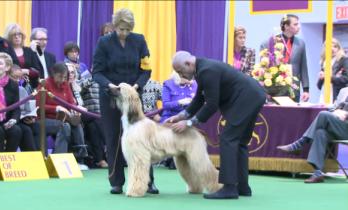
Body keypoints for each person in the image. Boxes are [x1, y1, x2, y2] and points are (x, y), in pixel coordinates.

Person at [166, 51, 266, 199]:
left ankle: (229, 188)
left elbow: (211, 104)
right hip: (254, 95)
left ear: (188, 64)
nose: (182, 76)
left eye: (181, 72)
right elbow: (199, 100)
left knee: (228, 139)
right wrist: (181, 116)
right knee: (240, 143)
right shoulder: (202, 68)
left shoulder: (206, 71)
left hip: (246, 98)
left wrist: (188, 123)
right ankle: (243, 187)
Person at [92, 8, 157, 194]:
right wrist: (110, 86)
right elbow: (97, 71)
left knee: (141, 139)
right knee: (113, 138)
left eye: (128, 29)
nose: (124, 33)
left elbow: (146, 69)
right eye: (121, 29)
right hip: (111, 97)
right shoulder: (104, 42)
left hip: (134, 96)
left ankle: (148, 181)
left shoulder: (139, 40)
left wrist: (137, 86)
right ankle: (116, 181)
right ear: (115, 26)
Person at [277, 87, 348, 183]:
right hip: (338, 124)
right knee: (320, 133)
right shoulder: (343, 90)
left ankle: (299, 144)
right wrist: (335, 111)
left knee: (323, 114)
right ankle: (318, 173)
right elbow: (333, 108)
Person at [35, 63, 88, 169]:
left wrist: (76, 108)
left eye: (65, 77)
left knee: (77, 125)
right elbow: (38, 106)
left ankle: (79, 159)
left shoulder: (66, 85)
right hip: (44, 119)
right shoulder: (44, 84)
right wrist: (56, 108)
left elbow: (70, 103)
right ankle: (57, 162)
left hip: (62, 118)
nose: (63, 80)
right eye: (60, 77)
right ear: (53, 74)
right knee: (64, 126)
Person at [260, 14, 309, 102]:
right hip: (275, 88)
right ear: (286, 26)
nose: (299, 27)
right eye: (295, 24)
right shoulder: (271, 42)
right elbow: (263, 67)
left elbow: (303, 67)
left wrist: (306, 89)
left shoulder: (301, 43)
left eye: (298, 24)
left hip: (294, 88)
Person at [4, 23, 42, 91]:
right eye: (14, 35)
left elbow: (37, 71)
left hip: (28, 87)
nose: (17, 37)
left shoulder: (29, 51)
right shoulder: (5, 51)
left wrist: (26, 71)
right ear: (9, 37)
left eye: (19, 34)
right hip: (9, 87)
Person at [317, 38, 348, 103]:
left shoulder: (343, 60)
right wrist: (321, 77)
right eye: (329, 46)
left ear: (339, 48)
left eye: (335, 46)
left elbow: (346, 79)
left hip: (336, 94)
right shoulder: (324, 61)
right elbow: (319, 85)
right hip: (324, 92)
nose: (332, 49)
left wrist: (329, 77)